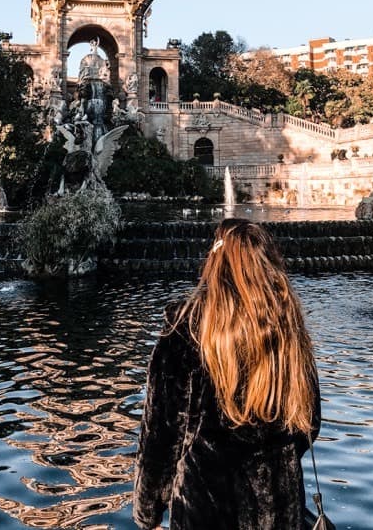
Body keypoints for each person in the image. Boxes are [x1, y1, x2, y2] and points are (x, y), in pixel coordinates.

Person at [134, 218, 321, 530]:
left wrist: (148, 512)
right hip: (278, 507)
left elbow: (161, 433)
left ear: (215, 263)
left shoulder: (187, 325)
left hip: (205, 508)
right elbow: (309, 422)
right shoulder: (287, 324)